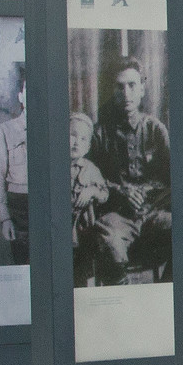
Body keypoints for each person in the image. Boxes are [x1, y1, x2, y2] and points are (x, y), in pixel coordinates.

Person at [88, 57, 171, 283]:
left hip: (154, 213)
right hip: (118, 216)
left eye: (132, 85)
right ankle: (123, 301)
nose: (126, 93)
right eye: (119, 86)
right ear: (112, 91)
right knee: (109, 241)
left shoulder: (155, 129)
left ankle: (164, 294)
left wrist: (148, 192)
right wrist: (120, 191)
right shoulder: (100, 134)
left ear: (142, 89)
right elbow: (90, 179)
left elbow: (174, 177)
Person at [0, 77, 29, 266]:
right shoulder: (6, 130)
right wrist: (5, 218)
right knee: (22, 264)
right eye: (28, 90)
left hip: (47, 206)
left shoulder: (53, 129)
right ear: (21, 96)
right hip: (19, 206)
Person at [68, 112, 109, 286]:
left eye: (83, 139)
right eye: (72, 135)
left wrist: (92, 191)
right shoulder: (54, 167)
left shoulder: (91, 169)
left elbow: (104, 194)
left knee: (85, 273)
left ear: (88, 146)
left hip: (83, 232)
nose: (77, 142)